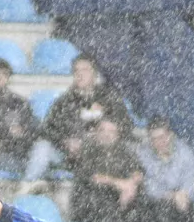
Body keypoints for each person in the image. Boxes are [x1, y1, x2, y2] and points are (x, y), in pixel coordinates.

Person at [22, 55, 133, 190]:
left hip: (102, 155)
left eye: (85, 70)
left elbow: (126, 126)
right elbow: (47, 129)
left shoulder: (110, 99)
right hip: (70, 157)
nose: (80, 74)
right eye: (76, 71)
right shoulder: (64, 101)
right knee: (42, 147)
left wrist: (99, 140)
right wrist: (65, 141)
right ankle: (27, 187)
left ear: (95, 73)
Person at [72, 118, 155, 222]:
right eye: (103, 130)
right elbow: (94, 178)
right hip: (89, 204)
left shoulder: (124, 151)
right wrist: (120, 184)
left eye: (111, 131)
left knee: (142, 193)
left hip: (117, 200)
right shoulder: (87, 150)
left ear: (117, 135)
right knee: (99, 195)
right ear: (96, 133)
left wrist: (131, 186)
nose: (107, 134)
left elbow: (138, 173)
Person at [136, 116, 194, 222]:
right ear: (150, 140)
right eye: (155, 139)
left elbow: (191, 177)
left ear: (170, 135)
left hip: (181, 201)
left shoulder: (184, 152)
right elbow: (147, 185)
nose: (160, 142)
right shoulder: (143, 155)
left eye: (162, 137)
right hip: (156, 203)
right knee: (160, 213)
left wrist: (184, 193)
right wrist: (170, 195)